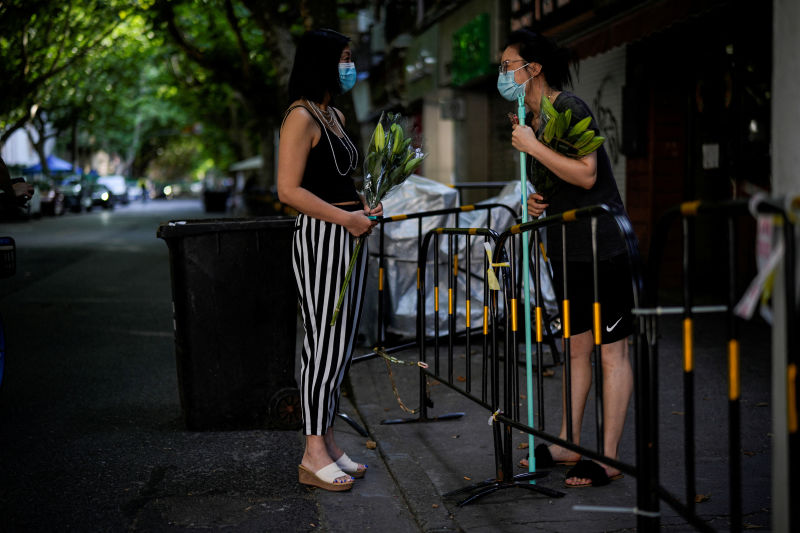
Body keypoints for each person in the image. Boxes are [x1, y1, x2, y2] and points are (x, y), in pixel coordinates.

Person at [499, 28, 636, 488]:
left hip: (604, 247)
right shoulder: (527, 120)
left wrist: (534, 148)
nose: (502, 74)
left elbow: (586, 172)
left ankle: (609, 455)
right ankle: (566, 442)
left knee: (611, 350)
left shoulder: (569, 108)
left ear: (531, 68)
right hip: (566, 249)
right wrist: (536, 200)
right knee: (576, 348)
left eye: (507, 65)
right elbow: (555, 183)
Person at [277, 28, 381, 492]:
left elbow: (336, 180)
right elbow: (289, 191)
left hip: (347, 232)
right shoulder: (300, 116)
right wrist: (345, 218)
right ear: (320, 61)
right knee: (323, 343)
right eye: (342, 57)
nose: (349, 65)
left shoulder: (333, 114)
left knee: (339, 345)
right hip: (322, 236)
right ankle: (312, 452)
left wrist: (362, 207)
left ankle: (330, 441)